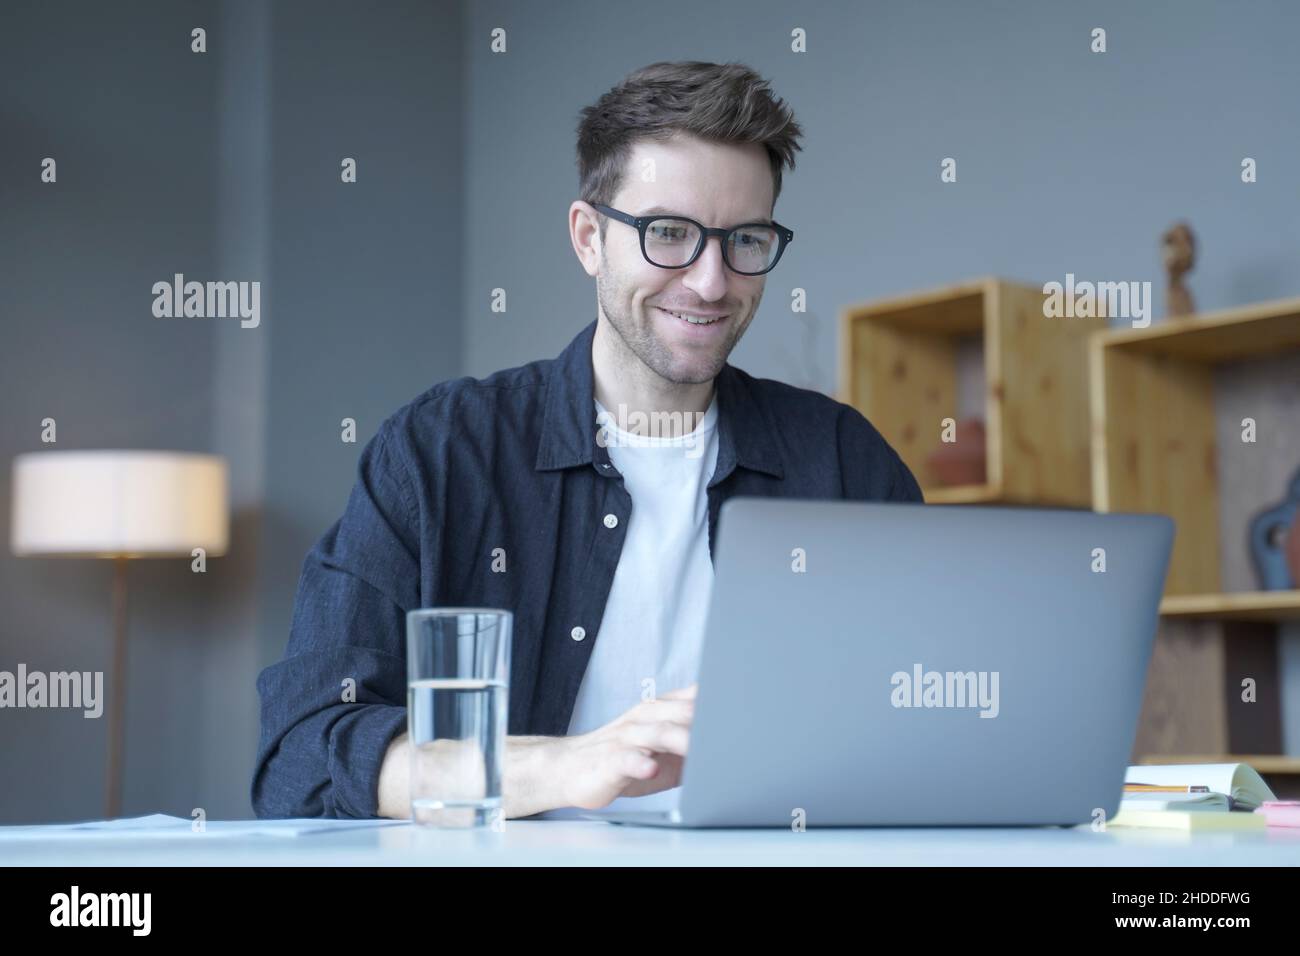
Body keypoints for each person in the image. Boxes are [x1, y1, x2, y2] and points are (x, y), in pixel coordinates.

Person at [253, 60, 922, 820]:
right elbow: (302, 758)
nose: (710, 281)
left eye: (745, 239)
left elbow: (929, 727)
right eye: (669, 233)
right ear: (589, 238)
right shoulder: (439, 453)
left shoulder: (844, 461)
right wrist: (566, 768)